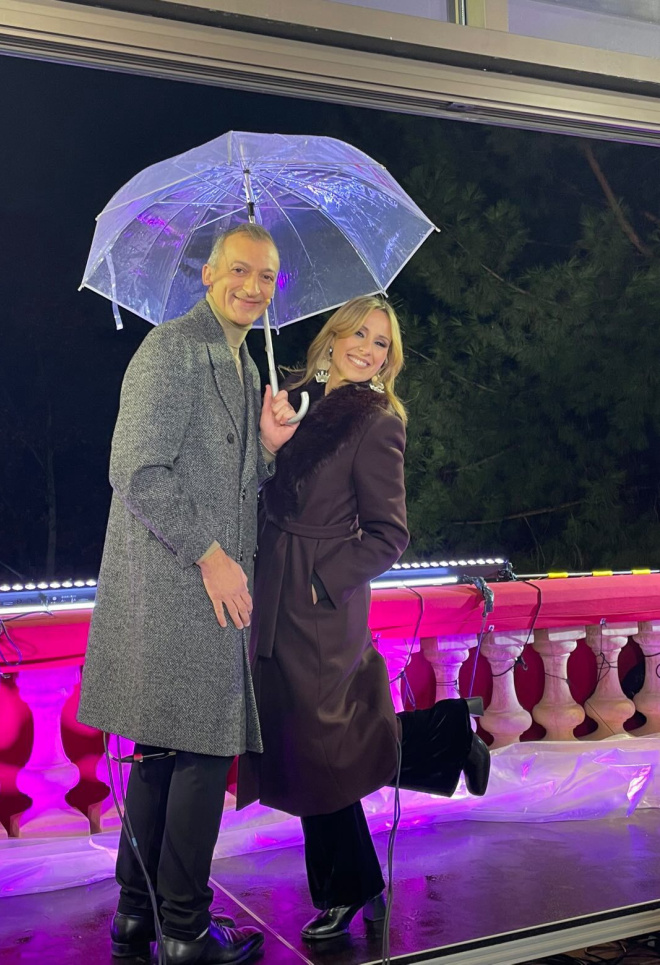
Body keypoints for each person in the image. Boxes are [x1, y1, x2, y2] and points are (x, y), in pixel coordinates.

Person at [237, 294, 490, 942]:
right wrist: (266, 444)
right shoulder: (291, 398)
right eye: (360, 334)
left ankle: (347, 888)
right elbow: (255, 485)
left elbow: (389, 533)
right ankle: (447, 737)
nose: (369, 348)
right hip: (275, 589)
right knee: (309, 741)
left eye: (381, 342)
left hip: (322, 602)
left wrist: (323, 580)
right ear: (332, 337)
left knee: (323, 743)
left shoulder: (377, 422)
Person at [78, 223, 297, 965]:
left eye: (267, 277)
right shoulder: (171, 348)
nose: (253, 287)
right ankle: (186, 928)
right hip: (178, 587)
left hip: (201, 588)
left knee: (162, 755)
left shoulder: (236, 366)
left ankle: (138, 917)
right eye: (240, 270)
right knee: (202, 750)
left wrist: (265, 448)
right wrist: (212, 557)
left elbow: (229, 488)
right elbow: (135, 470)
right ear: (208, 274)